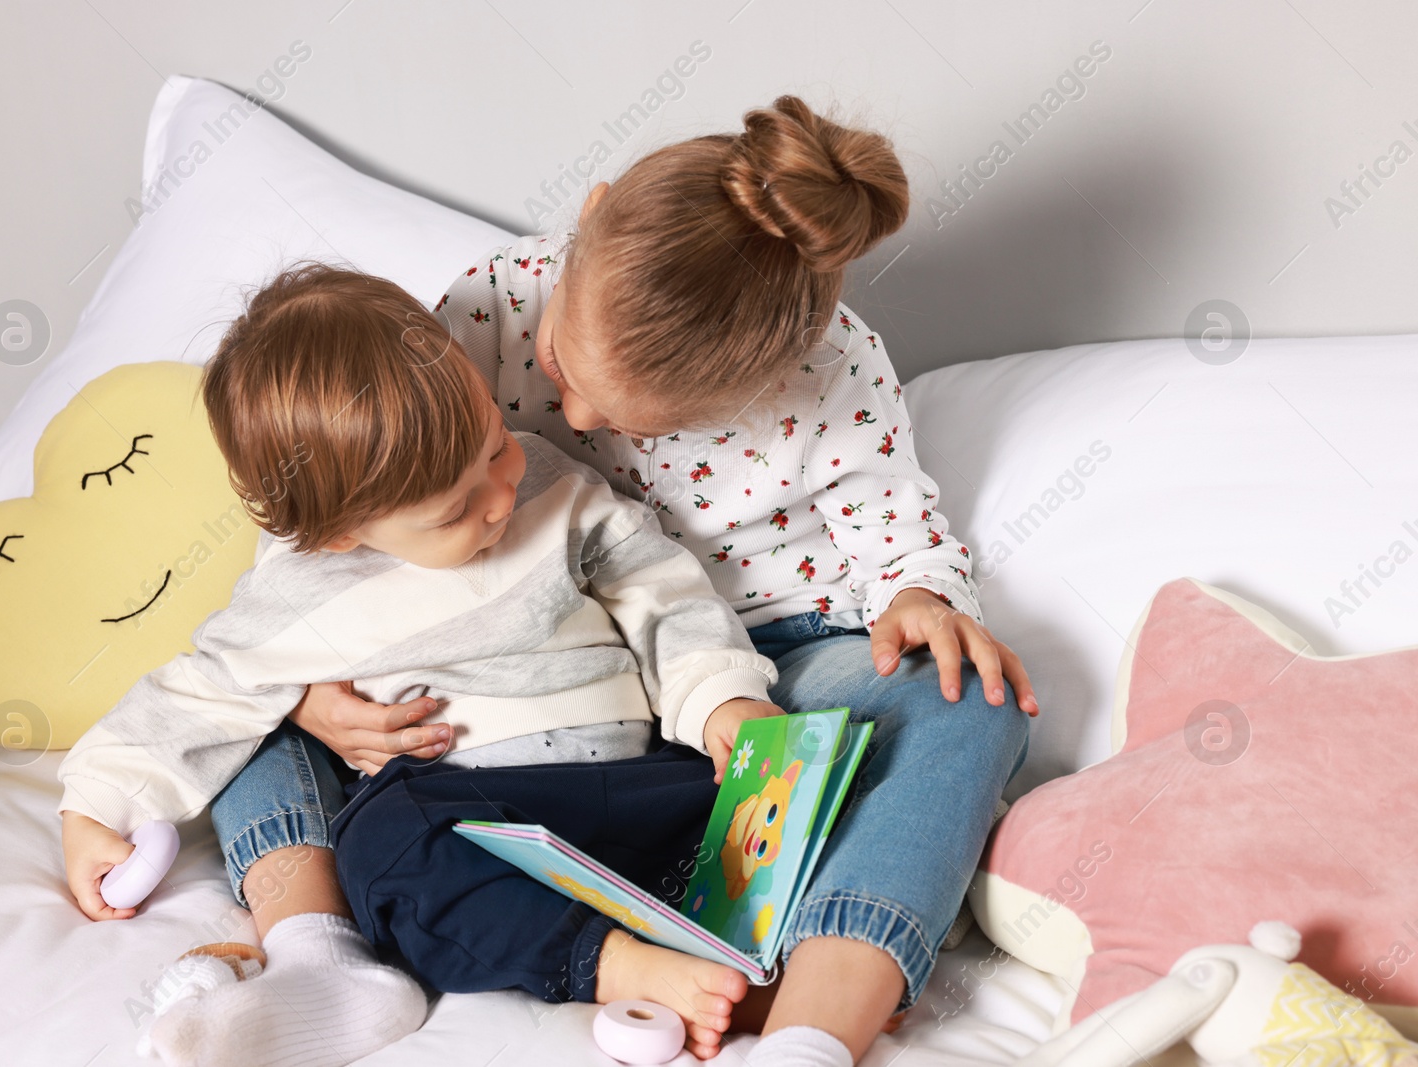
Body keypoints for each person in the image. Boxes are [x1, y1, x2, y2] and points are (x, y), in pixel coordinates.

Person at [293, 96, 1038, 1066]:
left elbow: (900, 538)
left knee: (970, 700)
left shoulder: (836, 369)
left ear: (773, 377)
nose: (568, 410)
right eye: (560, 364)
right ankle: (305, 954)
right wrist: (308, 693)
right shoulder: (490, 304)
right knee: (251, 701)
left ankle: (812, 1027)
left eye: (634, 425)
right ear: (587, 215)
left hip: (768, 669)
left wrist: (917, 599)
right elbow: (376, 496)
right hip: (547, 658)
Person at [55, 266, 784, 1066]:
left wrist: (722, 700)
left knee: (784, 793)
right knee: (385, 849)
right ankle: (608, 962)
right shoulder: (300, 594)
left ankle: (773, 948)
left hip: (637, 789)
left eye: (494, 449)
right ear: (341, 532)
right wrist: (94, 806)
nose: (502, 497)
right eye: (454, 509)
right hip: (479, 820)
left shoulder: (553, 487)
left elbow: (662, 592)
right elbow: (198, 695)